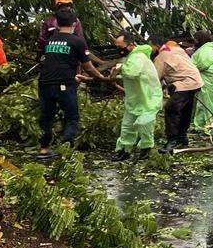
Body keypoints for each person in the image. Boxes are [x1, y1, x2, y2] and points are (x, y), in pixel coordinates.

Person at [36, 8, 110, 160]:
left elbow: (51, 62)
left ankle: (44, 150)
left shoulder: (49, 41)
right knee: (72, 117)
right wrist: (101, 78)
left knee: (47, 117)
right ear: (75, 23)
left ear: (57, 24)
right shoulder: (77, 42)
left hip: (44, 83)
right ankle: (65, 147)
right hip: (64, 84)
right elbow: (88, 67)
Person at [113, 31, 163, 160]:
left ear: (130, 45)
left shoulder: (139, 57)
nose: (119, 50)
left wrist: (120, 68)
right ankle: (124, 150)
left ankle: (145, 149)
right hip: (135, 97)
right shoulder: (131, 57)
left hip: (148, 98)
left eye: (120, 46)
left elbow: (132, 72)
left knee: (144, 124)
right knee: (127, 126)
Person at [150, 33, 204, 152]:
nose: (150, 49)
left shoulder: (161, 57)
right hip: (196, 80)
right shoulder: (176, 49)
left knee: (171, 109)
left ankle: (172, 140)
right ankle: (182, 137)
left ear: (156, 45)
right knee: (185, 110)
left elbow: (154, 78)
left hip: (184, 83)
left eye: (151, 46)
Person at [191, 31, 213, 133]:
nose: (194, 42)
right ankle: (200, 125)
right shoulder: (211, 49)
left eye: (195, 39)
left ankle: (212, 126)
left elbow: (198, 65)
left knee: (210, 105)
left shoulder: (205, 51)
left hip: (209, 81)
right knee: (203, 104)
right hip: (210, 81)